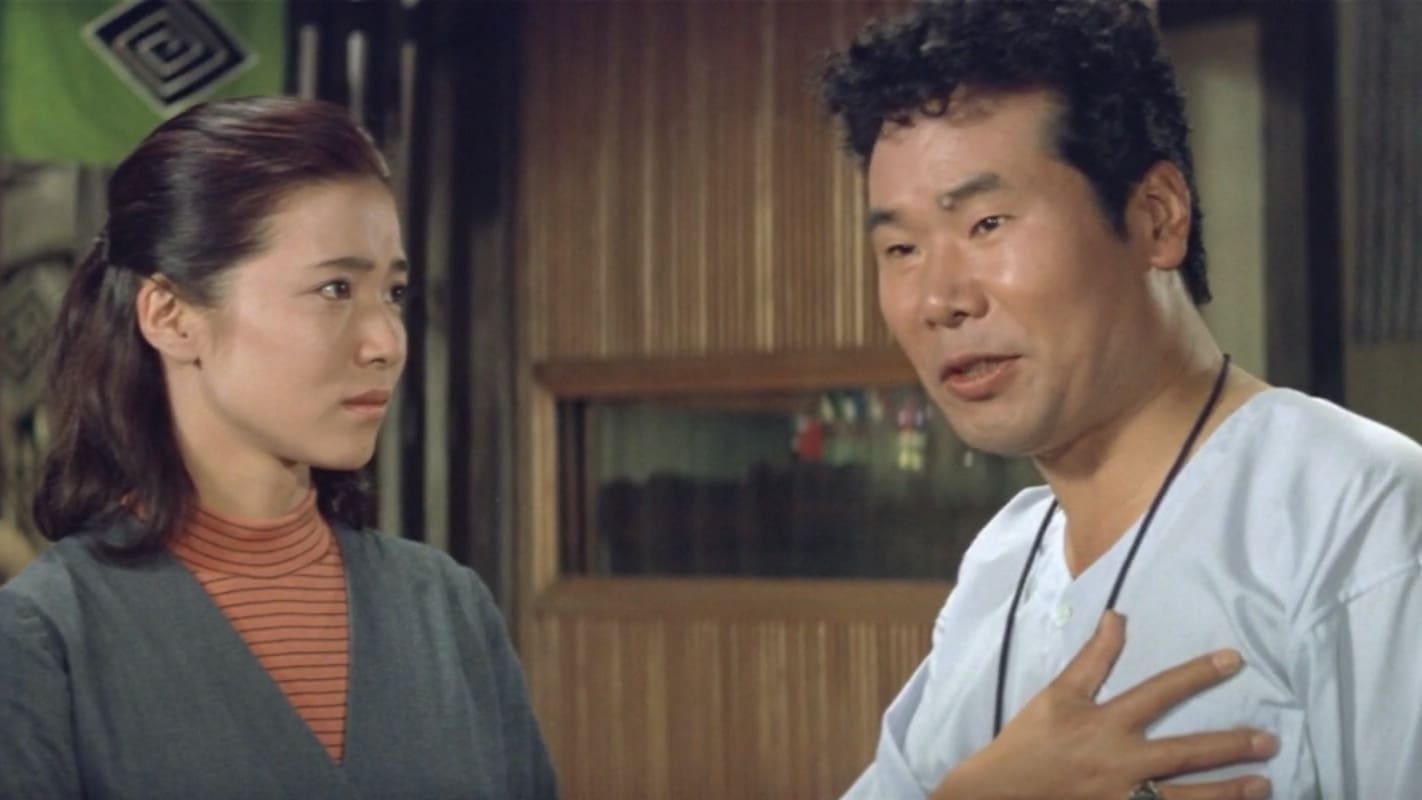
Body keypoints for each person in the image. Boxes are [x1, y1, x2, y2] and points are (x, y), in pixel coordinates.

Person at [820, 1, 1422, 798]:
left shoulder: (1355, 512)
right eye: (900, 248)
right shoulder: (1001, 566)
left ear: (1156, 218)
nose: (939, 300)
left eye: (987, 223)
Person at [0, 97, 558, 799]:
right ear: (171, 316)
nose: (386, 342)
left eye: (393, 293)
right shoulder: (45, 639)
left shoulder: (447, 610)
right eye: (335, 288)